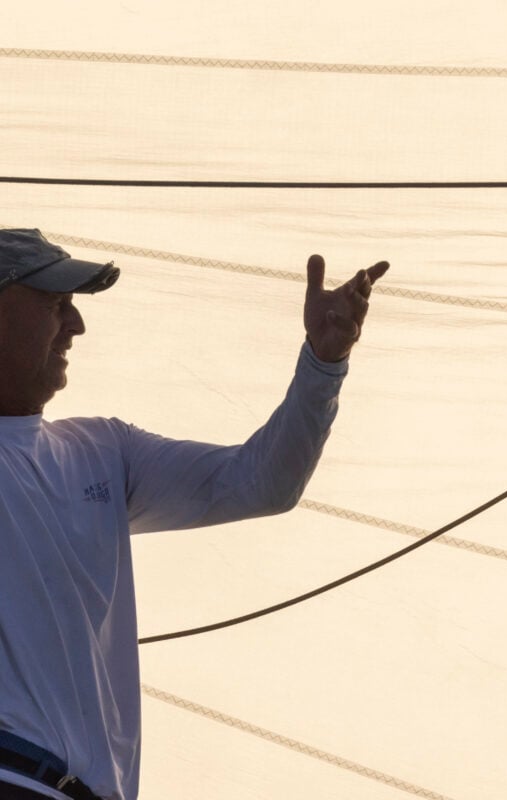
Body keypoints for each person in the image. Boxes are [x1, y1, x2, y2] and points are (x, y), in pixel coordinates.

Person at [0, 228, 389, 800]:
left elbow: (262, 483)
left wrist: (323, 366)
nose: (76, 326)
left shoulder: (104, 450)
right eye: (55, 305)